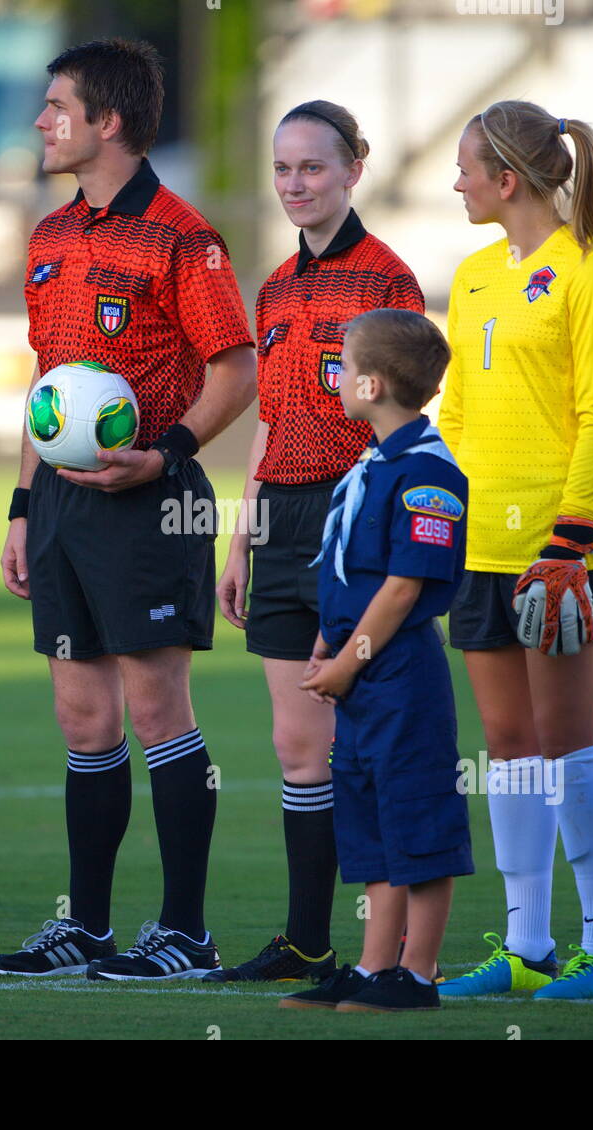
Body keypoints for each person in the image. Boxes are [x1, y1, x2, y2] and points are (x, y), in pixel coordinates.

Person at [0, 39, 256, 981]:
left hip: (152, 501)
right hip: (61, 508)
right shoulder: (50, 236)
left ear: (108, 122)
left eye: (55, 106)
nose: (40, 122)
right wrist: (23, 504)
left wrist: (167, 454)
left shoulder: (185, 236)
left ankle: (186, 931)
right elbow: (47, 384)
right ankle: (88, 931)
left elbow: (237, 370)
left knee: (155, 708)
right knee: (81, 716)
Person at [207, 101, 424, 984]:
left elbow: (404, 422)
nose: (295, 184)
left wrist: (369, 529)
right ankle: (308, 941)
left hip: (352, 523)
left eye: (313, 168)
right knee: (299, 747)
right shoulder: (274, 288)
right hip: (281, 526)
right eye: (283, 169)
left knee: (369, 743)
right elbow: (269, 425)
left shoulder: (387, 281)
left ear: (353, 171)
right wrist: (239, 537)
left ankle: (397, 952)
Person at [436, 101, 593, 1000]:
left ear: (507, 179)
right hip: (479, 549)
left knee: (567, 744)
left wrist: (571, 536)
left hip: (565, 552)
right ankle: (526, 949)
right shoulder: (473, 273)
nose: (457, 182)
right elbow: (458, 416)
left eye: (467, 168)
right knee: (509, 745)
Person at [278, 308, 470, 1013]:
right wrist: (330, 643)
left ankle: (417, 975)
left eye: (347, 364)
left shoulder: (427, 472)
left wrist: (350, 660)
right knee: (368, 818)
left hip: (399, 674)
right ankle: (371, 966)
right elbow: (353, 573)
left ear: (375, 384)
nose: (338, 375)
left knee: (416, 815)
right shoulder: (375, 462)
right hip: (361, 670)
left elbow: (403, 587)